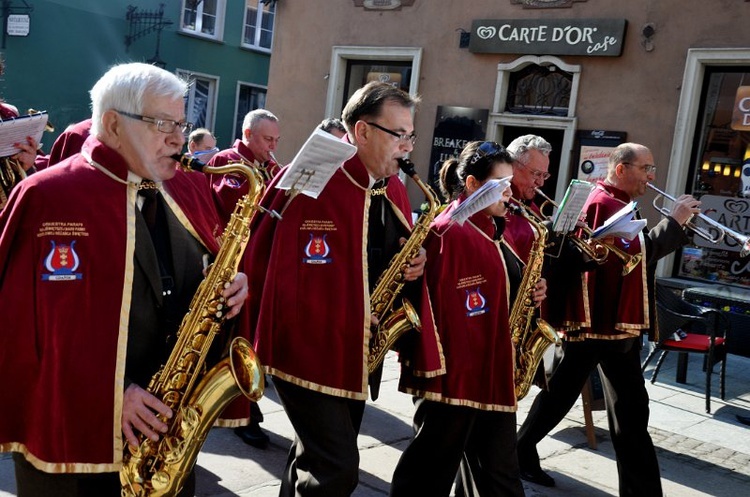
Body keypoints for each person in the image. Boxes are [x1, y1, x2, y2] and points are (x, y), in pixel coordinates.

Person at [0, 62, 249, 497]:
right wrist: (113, 392)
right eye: (162, 124)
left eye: (181, 123)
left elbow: (210, 269)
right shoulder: (47, 197)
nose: (178, 138)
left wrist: (233, 285)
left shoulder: (187, 188)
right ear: (113, 124)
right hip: (71, 440)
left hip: (166, 435)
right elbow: (21, 329)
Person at [245, 81, 444, 496]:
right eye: (399, 135)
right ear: (363, 131)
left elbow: (388, 250)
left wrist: (415, 262)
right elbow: (279, 269)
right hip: (308, 348)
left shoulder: (388, 186)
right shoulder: (314, 176)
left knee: (312, 459)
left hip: (354, 348)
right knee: (336, 470)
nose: (408, 147)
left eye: (411, 135)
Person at [515, 143, 701, 496]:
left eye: (653, 167)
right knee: (575, 399)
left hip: (615, 322)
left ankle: (639, 489)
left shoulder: (618, 202)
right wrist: (674, 222)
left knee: (627, 410)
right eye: (646, 168)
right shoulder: (602, 202)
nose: (652, 176)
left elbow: (636, 252)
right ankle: (520, 450)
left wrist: (677, 226)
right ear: (621, 169)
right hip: (600, 323)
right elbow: (635, 254)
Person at [391, 141, 546, 497]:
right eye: (501, 183)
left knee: (501, 477)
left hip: (490, 369)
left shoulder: (494, 226)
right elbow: (438, 308)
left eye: (510, 183)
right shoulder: (449, 230)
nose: (509, 192)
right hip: (457, 377)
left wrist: (532, 291)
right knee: (429, 472)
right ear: (474, 184)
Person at [207, 108, 280, 221]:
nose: (273, 146)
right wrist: (276, 185)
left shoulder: (273, 168)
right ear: (248, 134)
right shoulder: (227, 159)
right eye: (268, 139)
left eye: (277, 140)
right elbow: (231, 201)